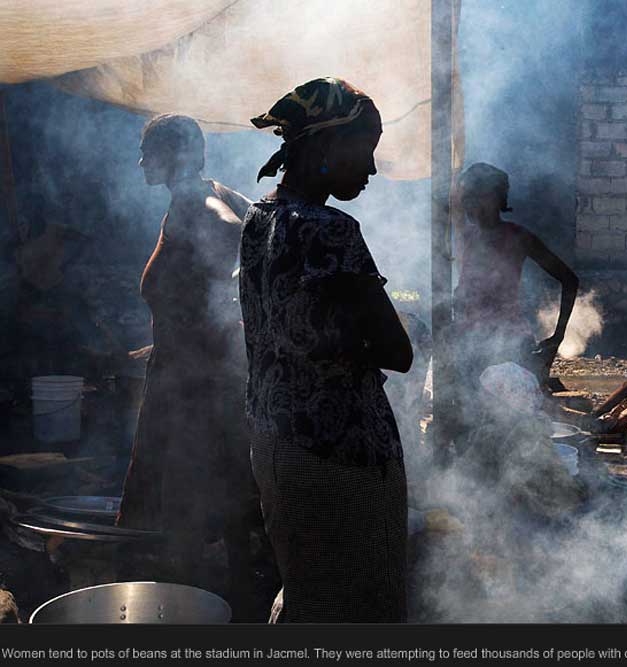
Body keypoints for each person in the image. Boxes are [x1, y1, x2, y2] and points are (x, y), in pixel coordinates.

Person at [240, 77, 413, 623]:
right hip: (341, 453)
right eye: (365, 151)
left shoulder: (258, 217)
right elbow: (397, 351)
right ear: (326, 145)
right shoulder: (331, 230)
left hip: (275, 440)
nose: (371, 169)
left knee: (307, 592)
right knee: (359, 602)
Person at [116, 114, 265, 621]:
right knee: (228, 509)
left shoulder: (196, 201)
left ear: (174, 156)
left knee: (191, 511)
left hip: (195, 394)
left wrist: (221, 329)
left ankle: (186, 618)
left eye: (147, 151)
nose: (139, 163)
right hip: (201, 377)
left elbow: (236, 235)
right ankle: (229, 606)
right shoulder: (213, 192)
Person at [446, 163, 579, 440]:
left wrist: (558, 336)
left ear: (496, 198)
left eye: (477, 196)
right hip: (466, 343)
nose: (470, 204)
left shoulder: (518, 237)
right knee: (470, 426)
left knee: (512, 428)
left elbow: (569, 279)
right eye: (467, 197)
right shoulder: (465, 234)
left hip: (508, 344)